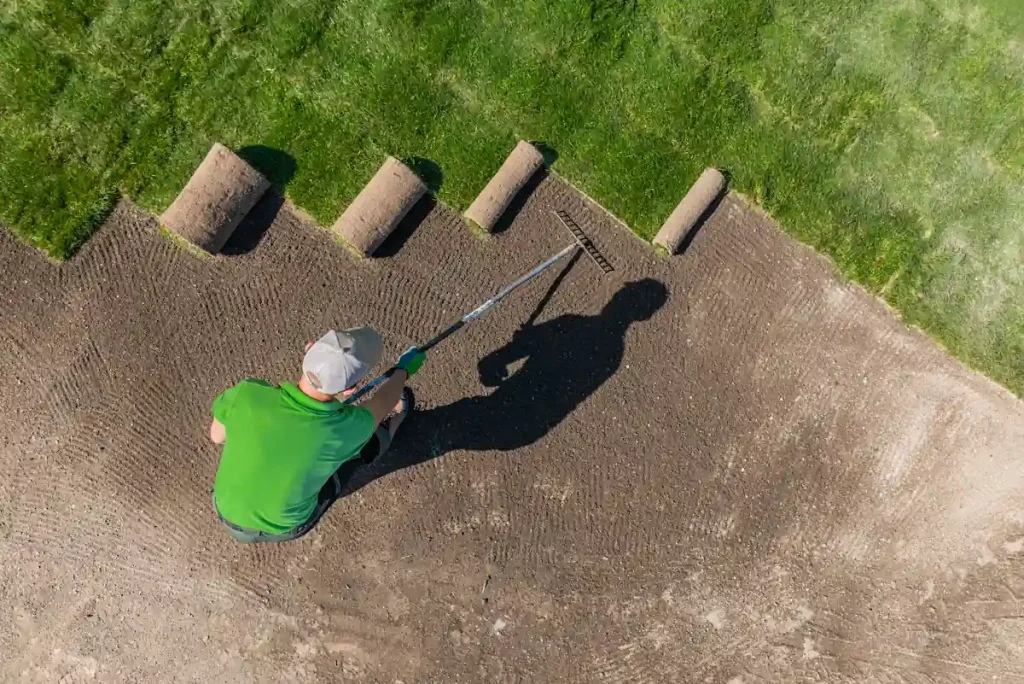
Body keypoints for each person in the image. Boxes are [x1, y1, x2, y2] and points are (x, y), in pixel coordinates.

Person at [208, 327, 426, 543]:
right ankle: (392, 426)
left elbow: (217, 437)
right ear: (350, 390)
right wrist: (402, 371)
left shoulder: (248, 393)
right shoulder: (349, 427)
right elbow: (383, 402)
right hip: (286, 527)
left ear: (308, 349)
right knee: (363, 446)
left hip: (225, 510)